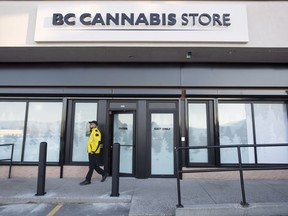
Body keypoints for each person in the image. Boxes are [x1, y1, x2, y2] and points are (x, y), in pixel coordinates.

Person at [80, 120, 108, 185]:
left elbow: (98, 142)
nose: (91, 125)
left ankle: (88, 179)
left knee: (91, 166)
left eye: (92, 124)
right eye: (90, 124)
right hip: (91, 152)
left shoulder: (96, 132)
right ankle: (104, 173)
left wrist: (93, 151)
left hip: (93, 152)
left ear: (95, 125)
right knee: (94, 165)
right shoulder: (92, 132)